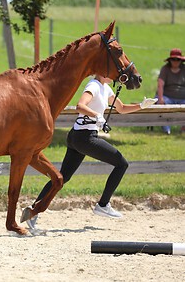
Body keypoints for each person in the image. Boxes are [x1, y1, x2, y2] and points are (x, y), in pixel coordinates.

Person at [25, 75, 157, 229]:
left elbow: (121, 108)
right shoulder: (94, 86)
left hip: (77, 136)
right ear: (101, 73)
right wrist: (97, 116)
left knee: (62, 177)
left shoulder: (105, 88)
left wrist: (141, 105)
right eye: (110, 73)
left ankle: (33, 212)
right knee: (121, 164)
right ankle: (103, 204)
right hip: (85, 138)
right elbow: (80, 106)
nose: (114, 76)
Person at [156, 48, 185, 134]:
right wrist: (160, 99)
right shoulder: (165, 69)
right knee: (163, 105)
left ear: (181, 60)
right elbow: (160, 84)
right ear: (170, 60)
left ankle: (183, 128)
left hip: (182, 97)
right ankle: (166, 129)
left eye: (178, 59)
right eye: (173, 59)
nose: (175, 61)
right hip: (167, 96)